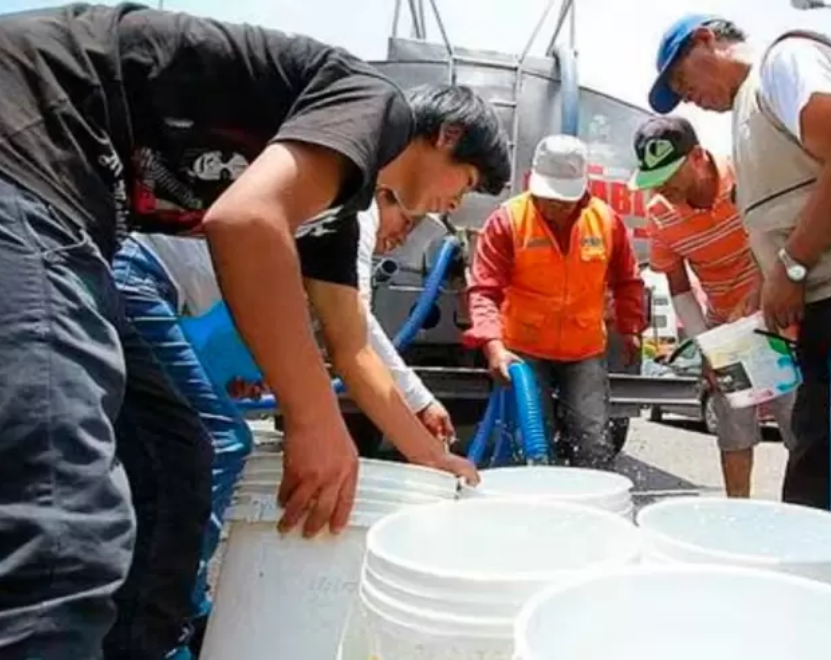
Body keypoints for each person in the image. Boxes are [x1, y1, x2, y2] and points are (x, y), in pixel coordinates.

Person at [0, 4, 507, 658]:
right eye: (463, 184)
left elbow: (353, 346)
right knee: (63, 526)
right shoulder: (376, 108)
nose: (451, 206)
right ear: (446, 134)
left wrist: (433, 460)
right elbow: (242, 220)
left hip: (72, 212)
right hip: (27, 152)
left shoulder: (333, 199)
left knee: (179, 459)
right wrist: (312, 418)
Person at [111, 188, 455, 658]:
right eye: (408, 221)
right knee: (217, 443)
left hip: (156, 285)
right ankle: (168, 616)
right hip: (142, 276)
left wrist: (236, 367)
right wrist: (425, 435)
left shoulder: (333, 208)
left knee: (164, 453)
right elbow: (355, 340)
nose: (403, 236)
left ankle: (167, 604)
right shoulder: (356, 211)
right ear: (386, 194)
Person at [647, 14, 831, 507]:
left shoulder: (786, 60)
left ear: (706, 40)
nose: (687, 94)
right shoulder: (747, 114)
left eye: (682, 79)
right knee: (822, 465)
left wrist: (791, 267)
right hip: (818, 308)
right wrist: (750, 307)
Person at [628, 115, 797, 498]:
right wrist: (709, 347)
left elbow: (786, 237)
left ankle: (809, 516)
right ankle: (738, 515)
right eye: (654, 179)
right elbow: (678, 286)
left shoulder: (747, 175)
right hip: (728, 330)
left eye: (670, 174)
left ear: (699, 157)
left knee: (799, 427)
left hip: (780, 318)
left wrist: (763, 296)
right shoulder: (659, 214)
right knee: (734, 432)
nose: (663, 188)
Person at [466, 134, 646, 469]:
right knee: (534, 438)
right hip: (524, 348)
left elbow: (628, 280)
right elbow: (484, 291)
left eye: (566, 199)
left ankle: (592, 508)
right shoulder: (508, 221)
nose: (557, 206)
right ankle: (537, 503)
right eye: (549, 197)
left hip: (584, 349)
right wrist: (492, 344)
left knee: (593, 438)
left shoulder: (606, 222)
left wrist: (631, 327)